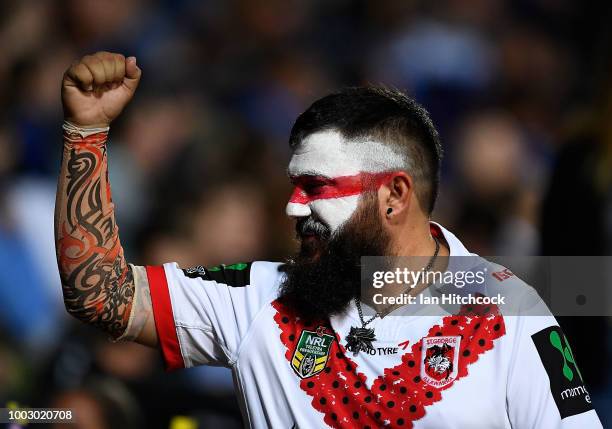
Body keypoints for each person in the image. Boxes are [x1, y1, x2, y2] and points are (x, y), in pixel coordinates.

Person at [55, 52, 602, 428]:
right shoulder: (257, 298)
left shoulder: (513, 313)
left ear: (393, 195)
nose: (294, 206)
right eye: (294, 185)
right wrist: (86, 133)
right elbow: (99, 293)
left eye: (315, 187)